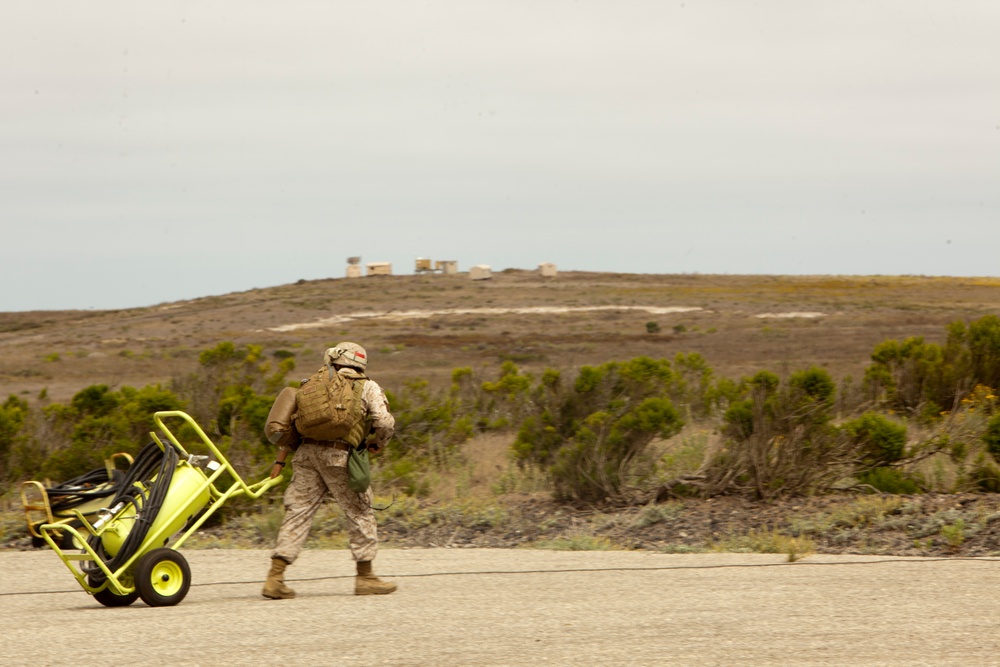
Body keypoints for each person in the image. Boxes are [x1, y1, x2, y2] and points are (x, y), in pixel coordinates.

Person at [261, 342, 397, 598]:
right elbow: (384, 422)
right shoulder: (368, 386)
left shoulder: (312, 384)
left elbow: (291, 427)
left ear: (334, 359)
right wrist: (377, 443)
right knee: (360, 511)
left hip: (306, 456)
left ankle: (274, 578)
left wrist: (280, 461)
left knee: (298, 512)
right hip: (340, 457)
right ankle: (366, 577)